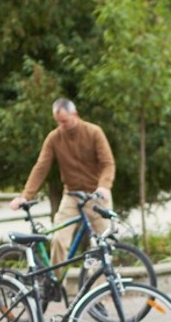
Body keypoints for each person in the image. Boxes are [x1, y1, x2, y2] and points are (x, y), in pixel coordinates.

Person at [9, 98, 116, 265]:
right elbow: (41, 167)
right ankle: (56, 288)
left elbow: (107, 163)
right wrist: (26, 195)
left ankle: (101, 289)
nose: (62, 125)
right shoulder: (54, 138)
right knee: (59, 239)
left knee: (104, 244)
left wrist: (104, 186)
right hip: (72, 195)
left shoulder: (94, 132)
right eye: (58, 122)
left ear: (75, 114)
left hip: (96, 194)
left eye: (65, 121)